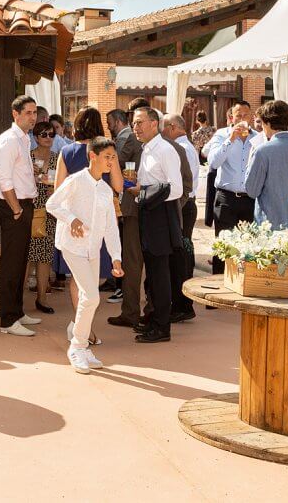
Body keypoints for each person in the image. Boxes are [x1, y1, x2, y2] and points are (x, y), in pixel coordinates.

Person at [46, 137, 124, 373]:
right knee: (91, 297)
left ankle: (80, 344)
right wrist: (72, 219)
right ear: (93, 157)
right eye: (107, 157)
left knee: (91, 298)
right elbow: (52, 204)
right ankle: (77, 346)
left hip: (92, 248)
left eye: (113, 157)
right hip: (72, 246)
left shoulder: (105, 189)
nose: (111, 162)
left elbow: (111, 226)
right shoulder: (76, 180)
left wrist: (116, 257)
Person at [131, 106, 185, 343]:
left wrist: (145, 193)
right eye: (134, 122)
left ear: (155, 124)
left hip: (161, 215)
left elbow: (176, 188)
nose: (136, 127)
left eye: (140, 122)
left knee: (160, 273)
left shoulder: (165, 150)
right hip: (148, 212)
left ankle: (163, 327)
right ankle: (154, 319)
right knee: (151, 273)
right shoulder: (147, 150)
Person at [0, 95, 42, 337]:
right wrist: (16, 209)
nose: (33, 117)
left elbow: (15, 172)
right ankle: (7, 320)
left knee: (21, 261)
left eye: (34, 113)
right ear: (16, 114)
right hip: (13, 207)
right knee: (11, 264)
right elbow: (4, 180)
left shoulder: (23, 140)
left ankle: (17, 311)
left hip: (24, 205)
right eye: (28, 113)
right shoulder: (8, 141)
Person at [204, 100, 257, 274]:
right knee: (223, 247)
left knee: (247, 248)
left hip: (249, 199)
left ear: (251, 116)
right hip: (226, 198)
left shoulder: (257, 138)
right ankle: (216, 290)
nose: (242, 119)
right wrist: (231, 139)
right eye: (238, 115)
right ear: (231, 117)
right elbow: (213, 161)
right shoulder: (221, 135)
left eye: (245, 115)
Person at [244, 100, 288, 231]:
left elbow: (251, 190)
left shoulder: (262, 151)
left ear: (268, 123)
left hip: (269, 223)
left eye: (262, 123)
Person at [106, 108, 142, 315]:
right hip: (134, 201)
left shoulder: (128, 139)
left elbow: (115, 163)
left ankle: (130, 310)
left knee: (131, 256)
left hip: (132, 203)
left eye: (139, 123)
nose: (136, 128)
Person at [163, 113, 201, 305]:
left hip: (183, 205)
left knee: (181, 253)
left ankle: (183, 300)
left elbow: (182, 184)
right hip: (186, 204)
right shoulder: (185, 146)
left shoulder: (181, 148)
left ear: (171, 127)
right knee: (184, 251)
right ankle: (184, 298)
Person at [26, 121, 58, 315]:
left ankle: (42, 299)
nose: (48, 138)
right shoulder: (28, 158)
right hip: (30, 209)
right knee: (27, 257)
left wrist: (53, 189)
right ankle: (17, 300)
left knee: (45, 257)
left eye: (51, 134)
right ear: (36, 137)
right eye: (44, 134)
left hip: (49, 210)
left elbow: (63, 183)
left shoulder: (58, 158)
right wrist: (31, 175)